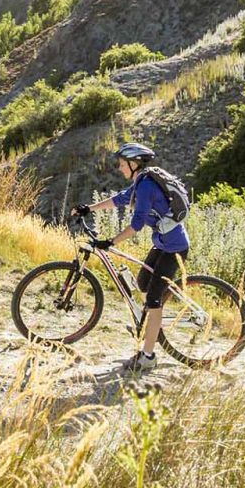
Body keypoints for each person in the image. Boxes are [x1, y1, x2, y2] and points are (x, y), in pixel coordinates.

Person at [73, 143, 188, 372]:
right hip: (162, 245)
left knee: (154, 301)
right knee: (143, 283)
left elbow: (136, 225)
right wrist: (89, 208)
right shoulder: (141, 182)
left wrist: (111, 242)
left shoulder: (145, 186)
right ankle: (149, 324)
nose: (119, 168)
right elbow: (119, 199)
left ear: (133, 164)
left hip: (173, 248)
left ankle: (148, 356)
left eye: (122, 164)